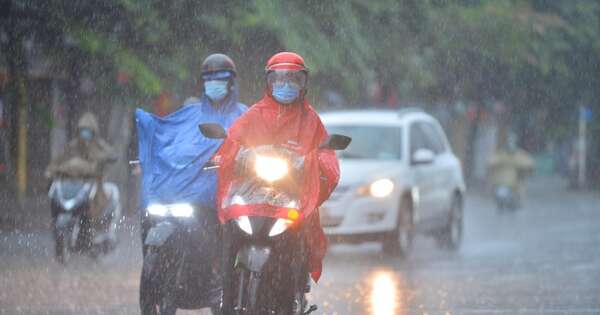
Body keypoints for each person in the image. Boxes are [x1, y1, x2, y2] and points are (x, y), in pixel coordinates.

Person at [215, 52, 340, 307]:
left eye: (293, 79)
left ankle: (294, 291)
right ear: (269, 82)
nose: (286, 85)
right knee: (228, 233)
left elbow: (326, 155)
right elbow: (230, 145)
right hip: (250, 194)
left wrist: (313, 163)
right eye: (280, 79)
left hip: (291, 195)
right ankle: (224, 296)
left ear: (303, 83)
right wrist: (235, 156)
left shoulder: (310, 119)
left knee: (299, 238)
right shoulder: (254, 114)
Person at [136, 53, 246, 314]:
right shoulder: (188, 115)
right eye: (209, 79)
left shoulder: (246, 117)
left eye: (220, 79)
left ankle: (224, 282)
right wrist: (150, 157)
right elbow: (166, 138)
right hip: (182, 195)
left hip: (223, 199)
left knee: (230, 242)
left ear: (231, 83)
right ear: (202, 83)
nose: (214, 84)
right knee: (149, 216)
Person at [487, 134, 534, 207]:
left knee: (520, 190)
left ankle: (515, 200)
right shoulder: (501, 155)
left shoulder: (518, 155)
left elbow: (529, 163)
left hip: (514, 182)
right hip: (501, 182)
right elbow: (490, 161)